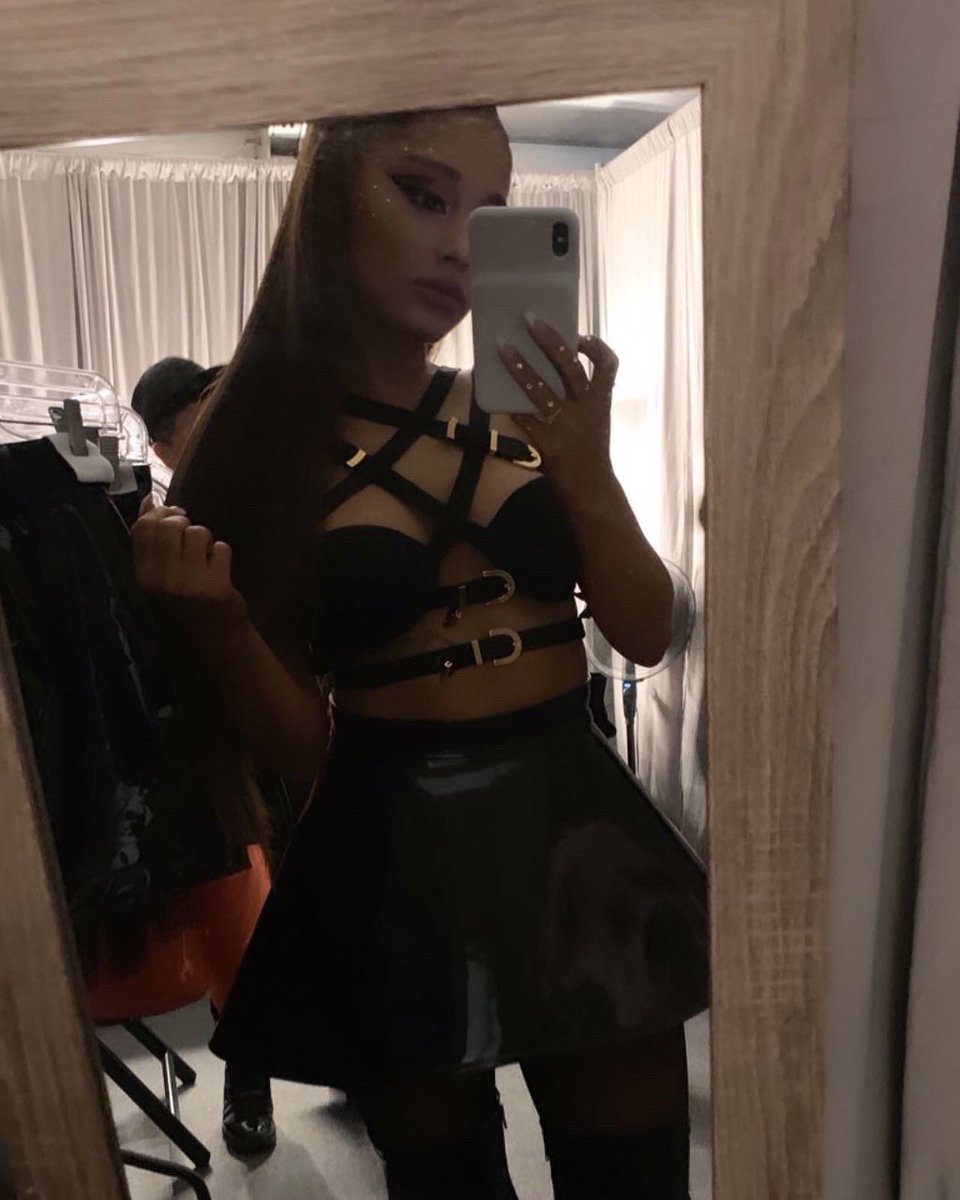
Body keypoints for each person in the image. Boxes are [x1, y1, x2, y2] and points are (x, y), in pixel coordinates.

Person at [131, 107, 708, 1198]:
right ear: (328, 203)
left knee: (637, 1180)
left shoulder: (528, 413)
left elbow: (645, 631)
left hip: (575, 837)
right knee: (447, 1188)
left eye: (490, 214)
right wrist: (218, 626)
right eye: (424, 196)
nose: (460, 246)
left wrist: (584, 468)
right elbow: (309, 751)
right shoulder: (258, 450)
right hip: (389, 852)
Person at [130, 356, 278, 1157]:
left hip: (298, 723)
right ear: (160, 449)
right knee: (243, 922)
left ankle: (355, 1069)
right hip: (221, 749)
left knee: (336, 894)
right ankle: (248, 1085)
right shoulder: (151, 530)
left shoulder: (267, 492)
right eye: (197, 421)